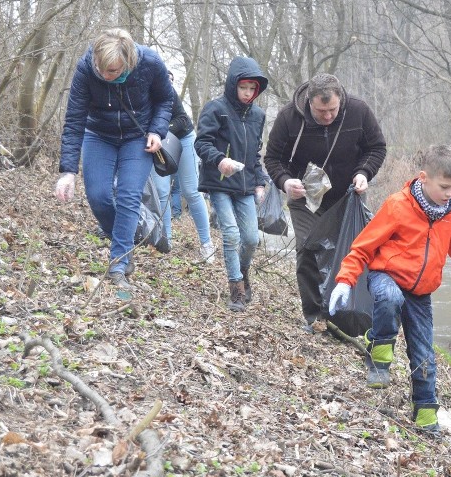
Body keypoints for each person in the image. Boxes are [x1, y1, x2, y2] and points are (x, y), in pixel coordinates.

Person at [327, 145, 451, 433]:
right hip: (386, 276)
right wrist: (344, 279)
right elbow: (364, 246)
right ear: (424, 178)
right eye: (445, 186)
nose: (450, 193)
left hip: (421, 293)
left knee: (425, 355)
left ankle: (426, 414)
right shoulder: (397, 205)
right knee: (390, 298)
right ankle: (379, 351)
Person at [263, 73, 386, 331]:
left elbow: (376, 148)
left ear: (340, 99)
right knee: (308, 248)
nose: (328, 116)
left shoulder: (359, 111)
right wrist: (285, 182)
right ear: (310, 103)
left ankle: (351, 314)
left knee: (352, 252)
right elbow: (273, 158)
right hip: (305, 196)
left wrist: (363, 173)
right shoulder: (289, 118)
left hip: (347, 195)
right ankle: (316, 316)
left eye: (332, 110)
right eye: (321, 111)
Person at [55, 28, 172, 291]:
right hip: (99, 134)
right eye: (101, 68)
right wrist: (68, 172)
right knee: (98, 196)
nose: (105, 75)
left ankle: (119, 263)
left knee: (129, 196)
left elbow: (166, 100)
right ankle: (126, 236)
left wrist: (157, 131)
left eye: (113, 71)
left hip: (137, 137)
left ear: (129, 63)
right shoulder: (85, 69)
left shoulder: (150, 63)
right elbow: (74, 119)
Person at [195, 57, 268, 311]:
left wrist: (260, 181)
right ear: (233, 84)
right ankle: (235, 288)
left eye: (252, 89)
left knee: (250, 239)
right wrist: (219, 160)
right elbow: (201, 143)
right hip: (219, 182)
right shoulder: (215, 109)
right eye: (243, 87)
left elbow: (255, 155)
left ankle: (243, 271)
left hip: (246, 185)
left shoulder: (258, 115)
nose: (247, 94)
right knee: (231, 234)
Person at [150, 70, 214, 261]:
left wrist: (160, 130)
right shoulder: (136, 93)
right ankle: (166, 241)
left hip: (183, 138)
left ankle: (206, 244)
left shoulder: (166, 91)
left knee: (191, 191)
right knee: (161, 192)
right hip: (157, 143)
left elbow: (183, 119)